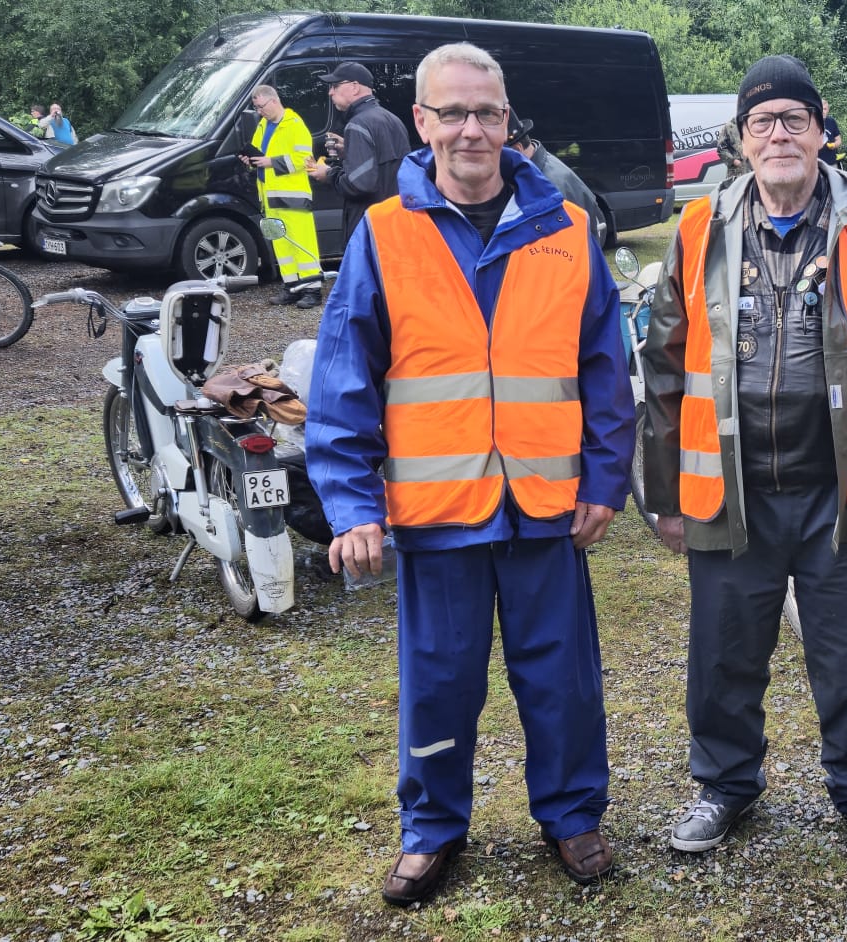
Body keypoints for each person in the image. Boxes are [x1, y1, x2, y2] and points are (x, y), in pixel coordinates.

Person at [305, 41, 633, 905]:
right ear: (422, 121)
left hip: (544, 507)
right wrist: (352, 505)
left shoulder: (566, 228)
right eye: (453, 113)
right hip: (438, 512)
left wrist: (605, 482)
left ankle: (572, 815)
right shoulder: (385, 233)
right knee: (440, 686)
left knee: (561, 679)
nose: (471, 130)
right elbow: (343, 379)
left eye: (487, 112)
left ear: (506, 118)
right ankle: (431, 830)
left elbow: (606, 367)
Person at [639, 54, 847, 865]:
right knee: (722, 655)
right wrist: (666, 493)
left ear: (820, 131)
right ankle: (725, 786)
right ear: (742, 138)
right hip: (729, 491)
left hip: (842, 490)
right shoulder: (700, 227)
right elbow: (664, 366)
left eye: (794, 120)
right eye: (763, 121)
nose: (779, 135)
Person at [308, 61, 411, 245]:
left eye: (335, 86)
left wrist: (328, 174)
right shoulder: (392, 119)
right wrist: (349, 150)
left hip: (368, 226)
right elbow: (385, 168)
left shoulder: (358, 124)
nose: (330, 92)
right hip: (394, 221)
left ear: (355, 87)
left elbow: (360, 184)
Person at [241, 85, 323, 308]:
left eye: (261, 106)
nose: (259, 111)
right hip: (269, 197)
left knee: (302, 244)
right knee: (282, 245)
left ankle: (312, 290)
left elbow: (305, 159)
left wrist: (271, 162)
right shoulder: (263, 125)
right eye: (256, 108)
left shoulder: (294, 124)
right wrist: (251, 161)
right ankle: (292, 287)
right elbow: (259, 155)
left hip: (293, 197)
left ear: (274, 101)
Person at [505, 112, 603, 243]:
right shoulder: (539, 171)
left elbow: (560, 248)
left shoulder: (549, 189)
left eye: (497, 156)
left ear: (517, 150)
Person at [819, 98, 841, 166]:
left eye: (825, 109)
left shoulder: (831, 121)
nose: (823, 111)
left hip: (832, 163)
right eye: (821, 109)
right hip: (816, 163)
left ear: (828, 110)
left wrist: (834, 145)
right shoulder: (812, 122)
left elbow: (839, 140)